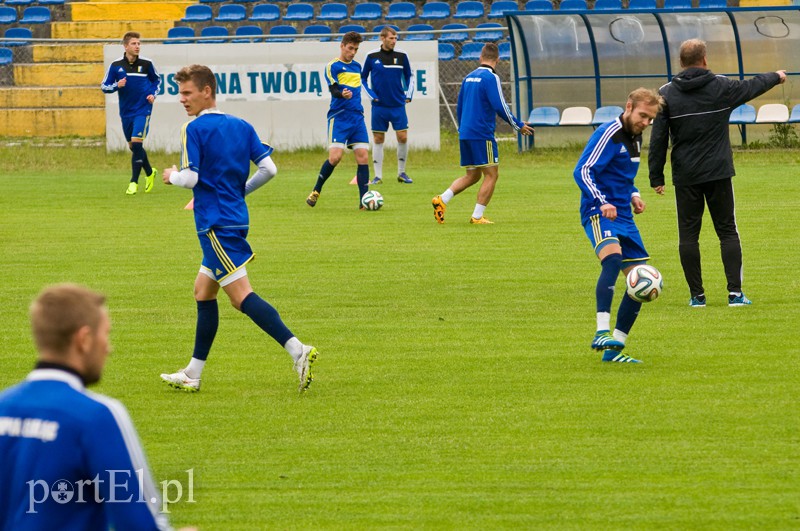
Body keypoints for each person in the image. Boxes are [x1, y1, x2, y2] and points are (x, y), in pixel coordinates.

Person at [159, 65, 318, 393]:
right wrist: (239, 191)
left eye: (187, 93)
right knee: (203, 292)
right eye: (180, 93)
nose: (182, 99)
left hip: (215, 224)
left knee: (240, 296)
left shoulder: (193, 129)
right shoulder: (241, 125)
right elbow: (269, 168)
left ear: (207, 91)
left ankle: (297, 349)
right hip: (235, 217)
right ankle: (192, 373)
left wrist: (171, 176)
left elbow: (191, 178)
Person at [0, 284, 172, 529]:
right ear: (84, 339)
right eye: (106, 334)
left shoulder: (3, 406)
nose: (108, 348)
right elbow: (138, 522)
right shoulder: (96, 417)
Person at [649, 38, 786, 308]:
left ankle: (697, 297)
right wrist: (776, 76)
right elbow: (752, 86)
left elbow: (658, 139)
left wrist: (657, 176)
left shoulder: (666, 93)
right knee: (727, 231)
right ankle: (735, 294)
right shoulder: (721, 86)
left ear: (680, 62)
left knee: (688, 235)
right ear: (705, 60)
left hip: (686, 175)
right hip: (719, 171)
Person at [573, 88, 663, 364]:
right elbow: (583, 170)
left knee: (641, 281)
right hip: (599, 212)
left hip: (624, 215)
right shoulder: (608, 132)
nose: (646, 122)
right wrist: (602, 201)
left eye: (651, 119)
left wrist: (634, 193)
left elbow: (623, 175)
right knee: (612, 260)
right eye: (643, 116)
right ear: (629, 107)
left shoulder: (636, 137)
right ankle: (601, 331)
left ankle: (614, 350)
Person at [431, 43, 534, 225]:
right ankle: (477, 216)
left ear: (480, 57)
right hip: (481, 133)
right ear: (498, 60)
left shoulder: (468, 77)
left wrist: (462, 129)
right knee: (492, 174)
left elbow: (460, 106)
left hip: (466, 133)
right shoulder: (491, 77)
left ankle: (442, 199)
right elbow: (500, 105)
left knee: (473, 175)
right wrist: (518, 125)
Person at [306, 31, 372, 209]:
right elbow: (333, 89)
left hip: (357, 117)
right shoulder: (333, 66)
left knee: (363, 157)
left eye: (356, 49)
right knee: (335, 158)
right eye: (350, 48)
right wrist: (341, 93)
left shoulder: (357, 67)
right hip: (339, 117)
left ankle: (363, 201)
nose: (352, 52)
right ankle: (316, 190)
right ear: (342, 46)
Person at [101, 31, 160, 196]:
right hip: (126, 112)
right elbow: (104, 86)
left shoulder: (147, 64)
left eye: (139, 43)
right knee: (134, 147)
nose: (137, 46)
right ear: (126, 46)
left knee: (136, 142)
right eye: (134, 44)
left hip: (143, 109)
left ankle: (133, 182)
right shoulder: (116, 66)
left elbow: (157, 81)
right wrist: (116, 85)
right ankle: (149, 172)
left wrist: (152, 94)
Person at [361, 26, 414, 185]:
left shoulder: (402, 55)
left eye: (395, 38)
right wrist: (371, 95)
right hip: (379, 106)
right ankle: (377, 176)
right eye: (391, 38)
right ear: (382, 38)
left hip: (397, 104)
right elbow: (362, 78)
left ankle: (401, 173)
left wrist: (409, 94)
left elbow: (409, 76)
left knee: (403, 136)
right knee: (378, 138)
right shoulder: (371, 56)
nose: (394, 41)